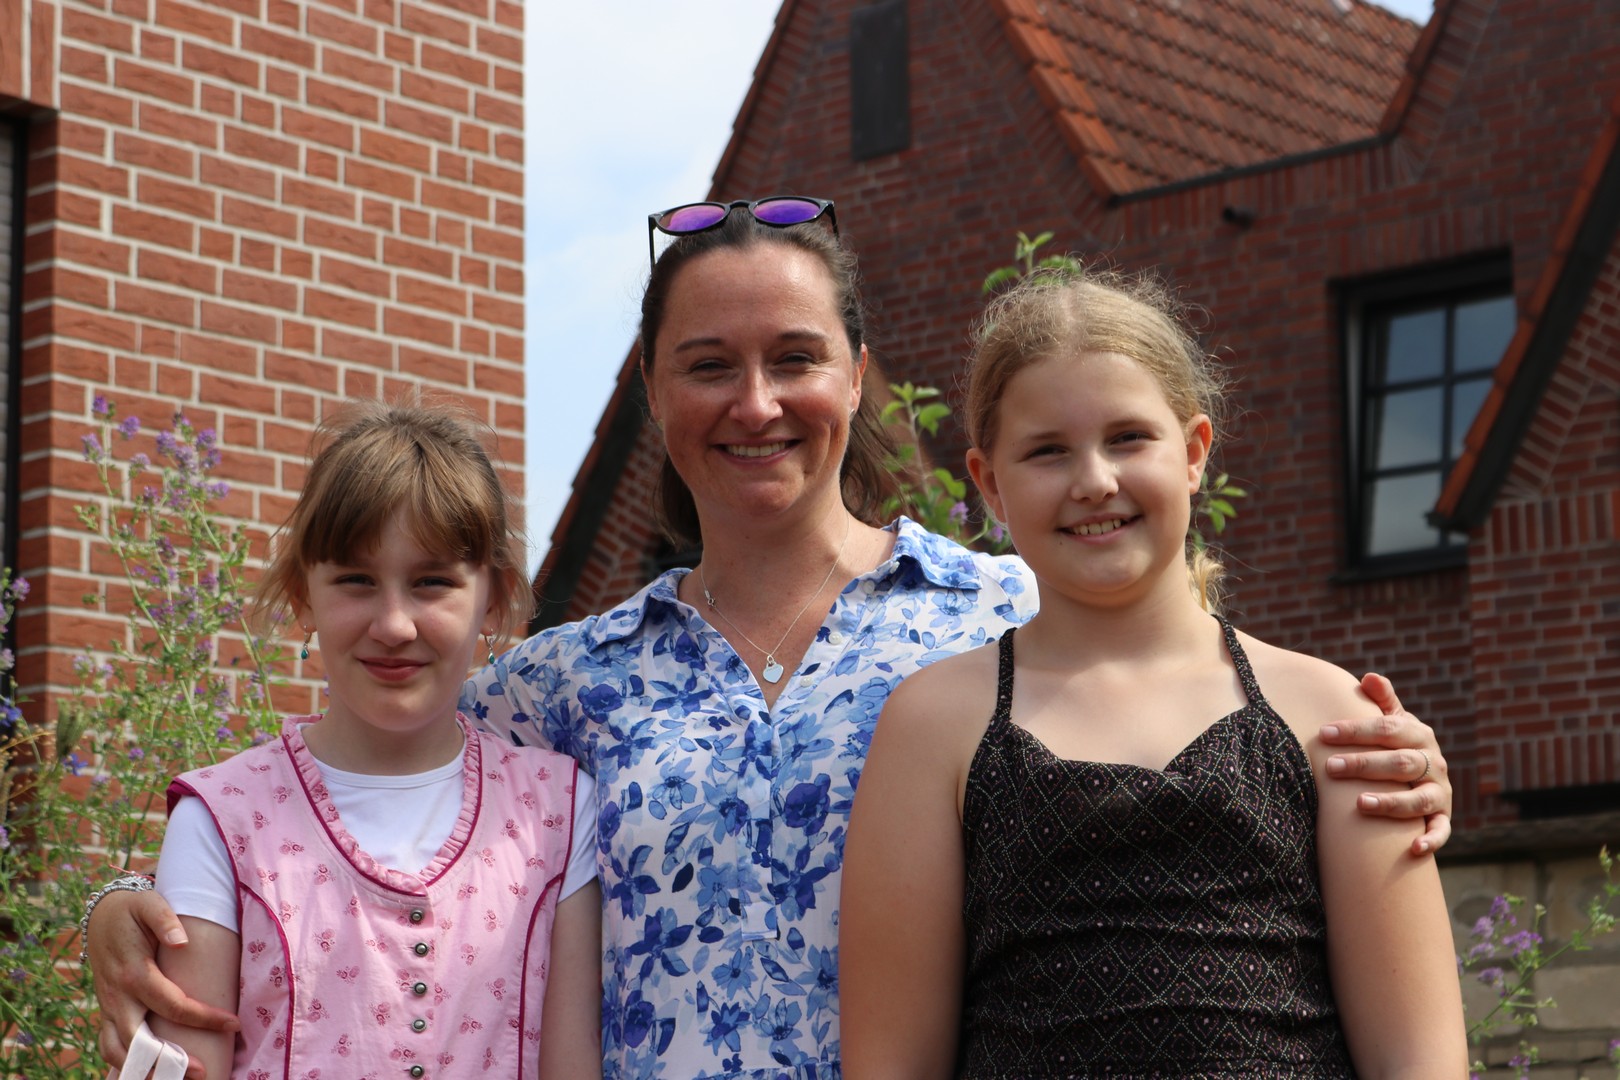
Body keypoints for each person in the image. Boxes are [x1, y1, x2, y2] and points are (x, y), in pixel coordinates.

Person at [88, 200, 1454, 1080]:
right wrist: (137, 902)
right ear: (654, 391)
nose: (756, 403)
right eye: (709, 365)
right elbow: (366, 793)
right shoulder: (556, 688)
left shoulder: (1003, 619)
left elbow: (1180, 695)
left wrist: (1392, 761)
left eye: (795, 357)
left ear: (856, 376)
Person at [839, 269, 1467, 1077]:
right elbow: (893, 1062)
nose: (1094, 481)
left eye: (1129, 438)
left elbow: (1419, 1058)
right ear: (990, 483)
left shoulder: (1328, 715)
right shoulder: (934, 725)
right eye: (1047, 451)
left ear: (1195, 452)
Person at [124, 401, 602, 1080]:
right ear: (303, 595)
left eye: (432, 582)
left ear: (494, 598)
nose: (394, 625)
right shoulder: (220, 821)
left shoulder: (559, 812)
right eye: (356, 580)